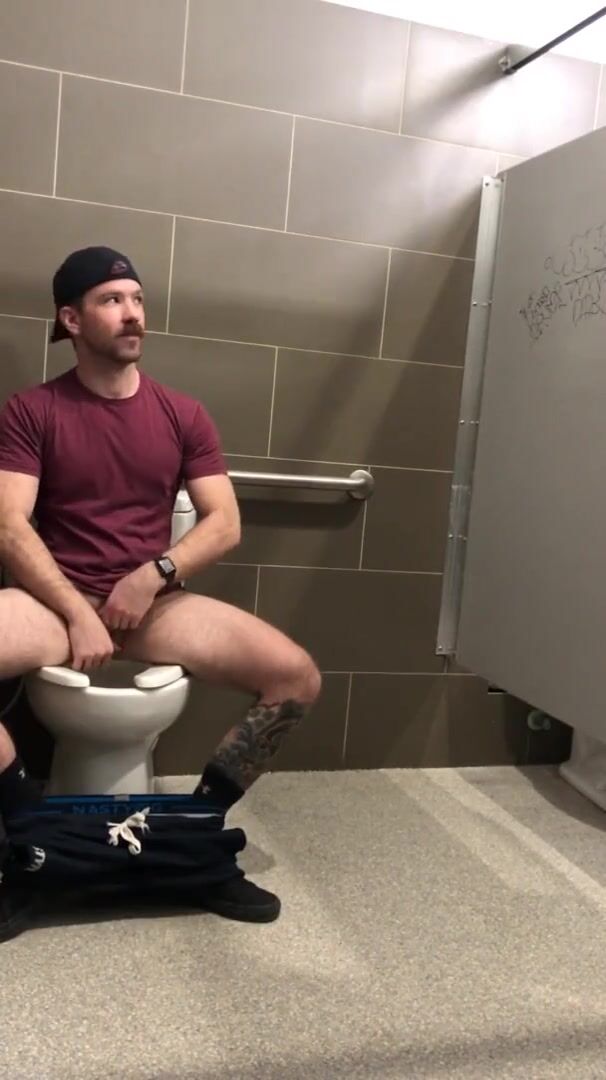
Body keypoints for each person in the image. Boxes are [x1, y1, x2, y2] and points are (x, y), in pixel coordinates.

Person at [0, 246, 322, 937]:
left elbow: (224, 522)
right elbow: (9, 526)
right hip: (54, 604)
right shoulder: (32, 411)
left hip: (152, 606)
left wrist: (152, 576)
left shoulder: (182, 414)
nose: (132, 314)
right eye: (112, 300)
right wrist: (75, 612)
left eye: (137, 299)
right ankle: (28, 838)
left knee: (295, 677)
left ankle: (195, 836)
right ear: (71, 319)